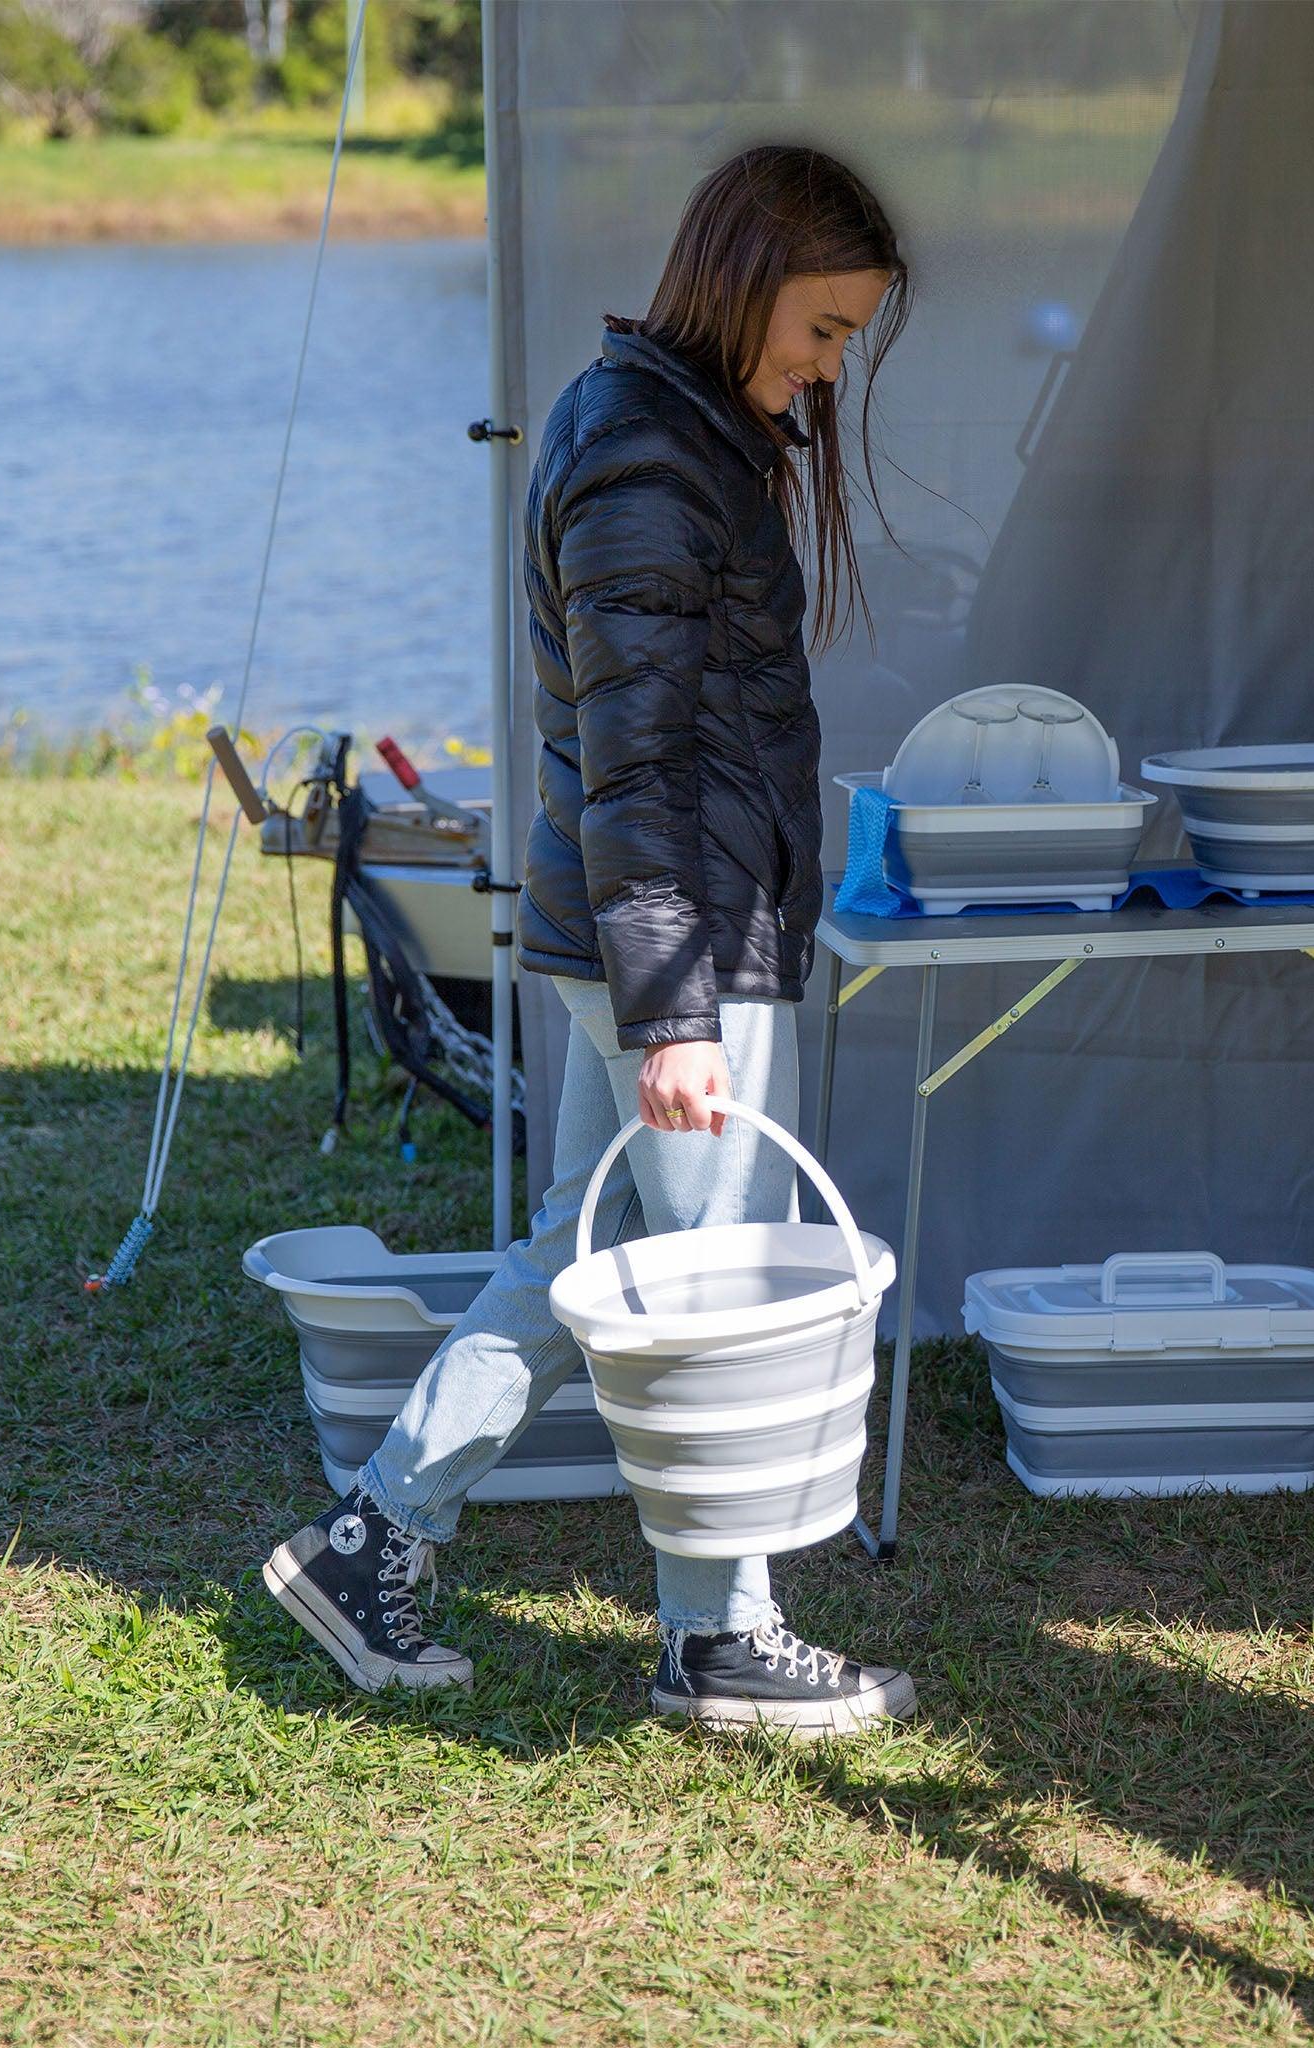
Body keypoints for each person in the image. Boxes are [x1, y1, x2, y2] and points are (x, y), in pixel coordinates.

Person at [262, 145, 918, 1735]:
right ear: (747, 276)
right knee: (699, 1287)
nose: (831, 370)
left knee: (587, 1255)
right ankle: (717, 1634)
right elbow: (632, 765)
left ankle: (375, 1539)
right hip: (672, 943)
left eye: (846, 341)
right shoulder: (645, 462)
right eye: (823, 330)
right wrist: (679, 1010)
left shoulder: (664, 429)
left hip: (647, 933)